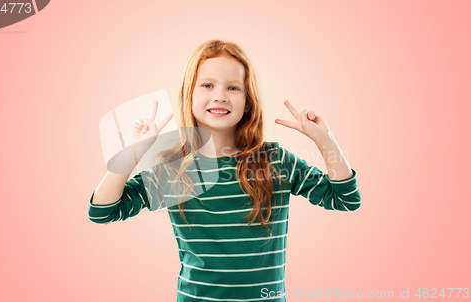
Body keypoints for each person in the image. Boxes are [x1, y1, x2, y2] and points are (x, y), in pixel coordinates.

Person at [88, 39, 361, 302]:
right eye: (207, 85)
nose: (220, 96)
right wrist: (132, 152)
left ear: (248, 102)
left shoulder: (275, 160)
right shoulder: (173, 171)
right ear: (189, 95)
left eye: (233, 88)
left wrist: (325, 140)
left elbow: (346, 199)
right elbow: (103, 212)